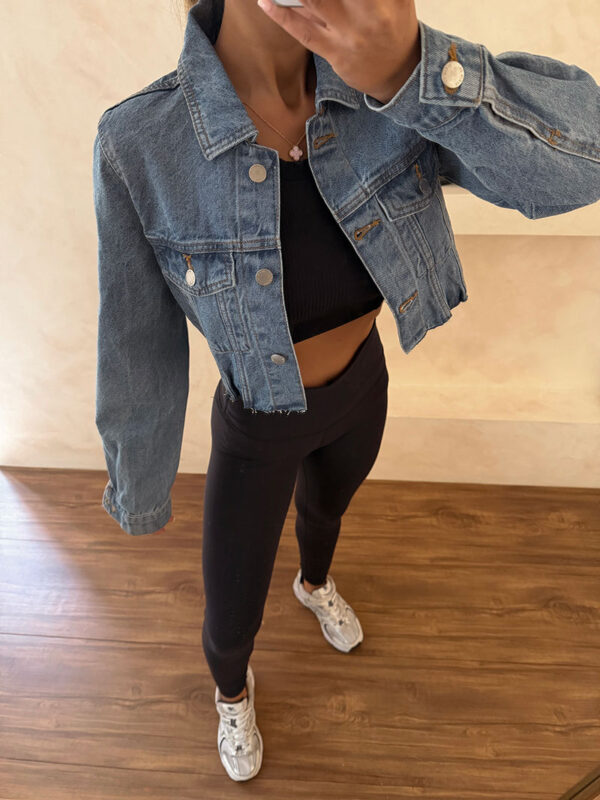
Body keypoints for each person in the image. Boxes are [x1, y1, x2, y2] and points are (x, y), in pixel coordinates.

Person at [93, 0, 600, 783]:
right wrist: (140, 483)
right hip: (261, 421)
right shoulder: (141, 141)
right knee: (230, 611)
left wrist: (416, 72)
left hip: (364, 386)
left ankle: (315, 584)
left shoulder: (386, 86)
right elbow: (135, 336)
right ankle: (232, 694)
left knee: (326, 514)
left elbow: (582, 162)